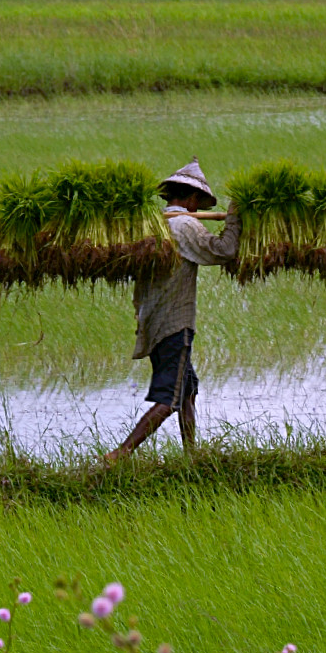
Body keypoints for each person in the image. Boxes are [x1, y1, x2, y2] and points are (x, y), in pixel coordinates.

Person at [105, 159, 239, 461]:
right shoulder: (185, 225)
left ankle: (191, 454)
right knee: (169, 397)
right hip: (174, 323)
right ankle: (121, 453)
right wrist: (234, 220)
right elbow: (224, 251)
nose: (196, 209)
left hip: (152, 319)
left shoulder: (153, 224)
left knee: (187, 388)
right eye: (196, 203)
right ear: (190, 198)